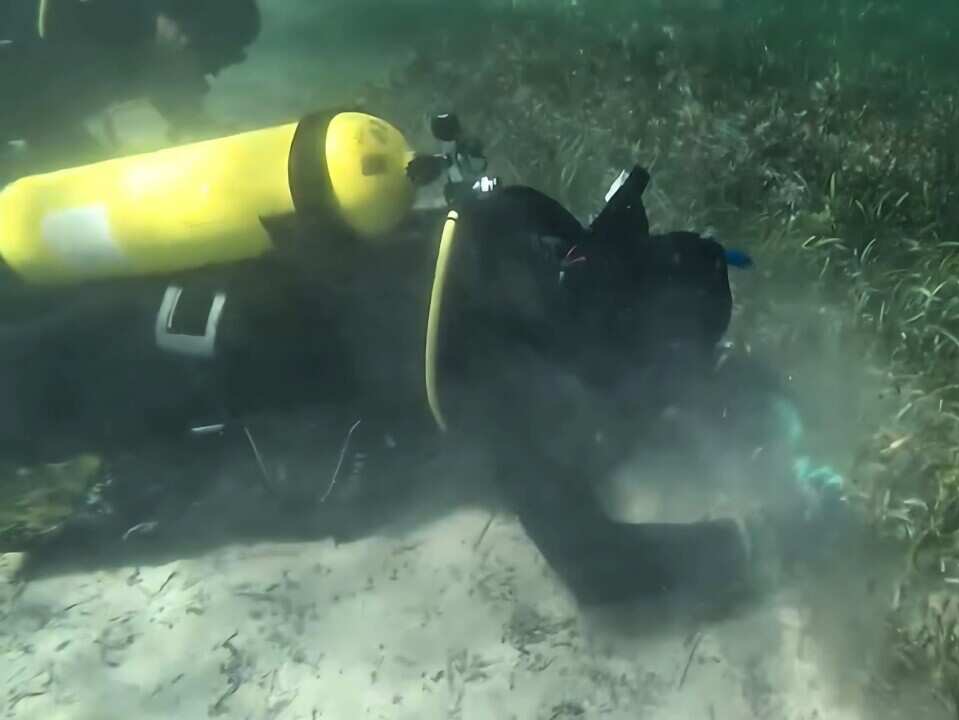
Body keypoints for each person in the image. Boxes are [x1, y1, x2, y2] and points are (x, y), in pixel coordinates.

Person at [0, 149, 845, 612]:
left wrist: (742, 397)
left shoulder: (517, 229)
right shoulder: (508, 383)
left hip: (163, 302)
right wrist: (769, 542)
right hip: (148, 375)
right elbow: (609, 578)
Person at [0, 0, 261, 176]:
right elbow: (39, 113)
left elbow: (169, 81)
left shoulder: (143, 43)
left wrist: (195, 124)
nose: (209, 74)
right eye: (210, 61)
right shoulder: (123, 28)